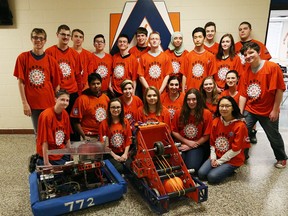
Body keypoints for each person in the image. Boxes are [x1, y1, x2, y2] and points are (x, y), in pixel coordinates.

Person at [239, 42, 287, 168]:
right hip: (251, 108)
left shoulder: (272, 67)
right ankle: (244, 155)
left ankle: (281, 157)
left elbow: (279, 89)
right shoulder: (246, 71)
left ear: (259, 52)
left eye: (251, 53)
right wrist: (239, 113)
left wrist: (275, 110)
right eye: (245, 54)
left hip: (268, 109)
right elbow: (243, 94)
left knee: (273, 135)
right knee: (242, 131)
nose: (248, 56)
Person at [13, 28, 61, 135]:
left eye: (41, 38)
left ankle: (50, 152)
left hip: (49, 102)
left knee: (51, 131)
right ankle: (40, 152)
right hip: (33, 104)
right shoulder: (23, 58)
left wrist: (56, 100)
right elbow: (21, 82)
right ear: (31, 39)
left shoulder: (51, 60)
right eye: (35, 37)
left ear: (45, 41)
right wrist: (24, 103)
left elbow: (56, 84)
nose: (38, 40)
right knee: (38, 133)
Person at [198, 96, 250, 184]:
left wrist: (219, 162)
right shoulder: (216, 121)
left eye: (227, 106)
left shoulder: (240, 126)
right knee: (201, 174)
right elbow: (212, 143)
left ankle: (230, 170)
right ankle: (221, 168)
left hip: (233, 159)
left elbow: (236, 150)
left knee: (212, 177)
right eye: (221, 106)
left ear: (233, 107)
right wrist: (214, 158)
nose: (224, 108)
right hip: (217, 155)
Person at [46, 24, 82, 141]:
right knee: (58, 119)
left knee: (73, 120)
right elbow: (48, 75)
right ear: (57, 35)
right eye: (63, 34)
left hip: (72, 92)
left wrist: (79, 94)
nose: (65, 37)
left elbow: (78, 76)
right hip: (57, 93)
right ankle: (59, 142)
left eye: (68, 35)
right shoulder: (49, 52)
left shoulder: (75, 54)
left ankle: (75, 144)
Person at [171, 88, 212, 173]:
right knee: (177, 166)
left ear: (199, 100)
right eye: (188, 99)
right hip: (182, 144)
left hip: (198, 145)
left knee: (191, 167)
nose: (191, 102)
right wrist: (187, 142)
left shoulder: (206, 113)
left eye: (194, 99)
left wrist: (192, 145)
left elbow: (207, 135)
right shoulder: (179, 112)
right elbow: (174, 131)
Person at [36, 89, 72, 166]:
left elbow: (67, 137)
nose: (65, 102)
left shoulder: (65, 114)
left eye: (67, 100)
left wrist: (70, 154)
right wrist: (46, 162)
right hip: (49, 154)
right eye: (62, 99)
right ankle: (40, 161)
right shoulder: (46, 116)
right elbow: (44, 141)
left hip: (61, 151)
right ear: (55, 99)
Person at [70, 73, 110, 141]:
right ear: (89, 85)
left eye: (98, 83)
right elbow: (75, 121)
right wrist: (83, 136)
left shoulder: (106, 98)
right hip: (88, 136)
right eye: (93, 84)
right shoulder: (81, 99)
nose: (96, 86)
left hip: (103, 135)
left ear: (101, 84)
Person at [99, 98, 132, 174]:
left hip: (123, 153)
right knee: (119, 168)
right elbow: (103, 144)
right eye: (113, 107)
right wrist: (114, 156)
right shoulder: (104, 124)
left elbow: (128, 140)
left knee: (131, 166)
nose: (116, 109)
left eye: (118, 107)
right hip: (110, 154)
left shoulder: (125, 122)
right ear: (109, 109)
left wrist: (125, 154)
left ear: (121, 108)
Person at [182, 27, 217, 92]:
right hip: (190, 92)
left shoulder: (210, 56)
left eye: (200, 37)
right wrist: (183, 92)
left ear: (204, 38)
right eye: (195, 37)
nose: (197, 40)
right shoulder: (187, 56)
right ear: (193, 39)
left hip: (204, 92)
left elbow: (211, 76)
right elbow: (184, 75)